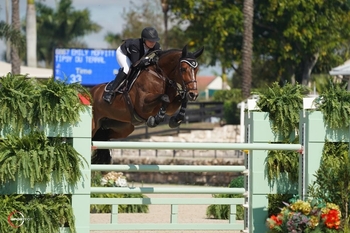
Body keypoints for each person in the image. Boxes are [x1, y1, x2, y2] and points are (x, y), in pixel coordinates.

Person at [103, 26, 162, 104]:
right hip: (123, 53)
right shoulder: (135, 45)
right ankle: (110, 92)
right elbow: (135, 64)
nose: (153, 43)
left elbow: (160, 57)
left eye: (154, 41)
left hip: (138, 57)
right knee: (126, 69)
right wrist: (150, 60)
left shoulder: (156, 46)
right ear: (144, 40)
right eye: (150, 41)